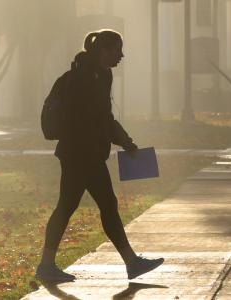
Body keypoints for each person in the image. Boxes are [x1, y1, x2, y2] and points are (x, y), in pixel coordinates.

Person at [36, 29, 163, 282]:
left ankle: (49, 265)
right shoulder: (84, 79)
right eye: (117, 49)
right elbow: (98, 119)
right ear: (103, 51)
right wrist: (124, 142)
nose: (122, 55)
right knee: (91, 205)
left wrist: (125, 142)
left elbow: (103, 118)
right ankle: (49, 266)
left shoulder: (101, 76)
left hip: (87, 153)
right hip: (80, 154)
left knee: (83, 206)